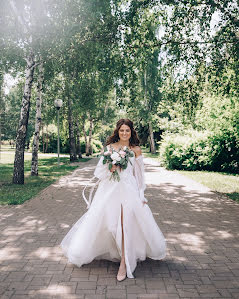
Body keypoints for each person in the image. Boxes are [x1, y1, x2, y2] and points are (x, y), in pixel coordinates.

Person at [60, 119, 167, 281]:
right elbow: (100, 173)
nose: (124, 133)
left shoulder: (136, 150)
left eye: (127, 131)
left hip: (129, 190)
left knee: (126, 226)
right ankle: (117, 252)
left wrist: (141, 194)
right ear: (117, 131)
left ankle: (124, 263)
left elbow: (139, 176)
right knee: (112, 226)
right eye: (122, 130)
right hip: (110, 190)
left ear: (132, 132)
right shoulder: (109, 149)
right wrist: (111, 168)